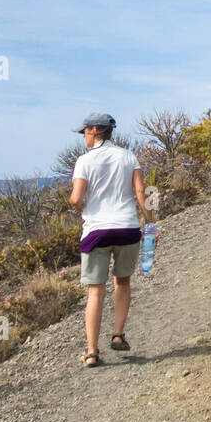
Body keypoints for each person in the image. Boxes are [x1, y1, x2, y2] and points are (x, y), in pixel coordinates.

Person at [68, 112, 152, 367]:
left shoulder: (84, 161)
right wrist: (150, 224)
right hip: (127, 229)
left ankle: (92, 352)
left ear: (95, 130)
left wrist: (80, 209)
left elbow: (75, 198)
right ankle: (117, 335)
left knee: (96, 291)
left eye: (84, 131)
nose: (83, 135)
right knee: (123, 282)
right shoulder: (128, 156)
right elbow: (141, 191)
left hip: (96, 231)